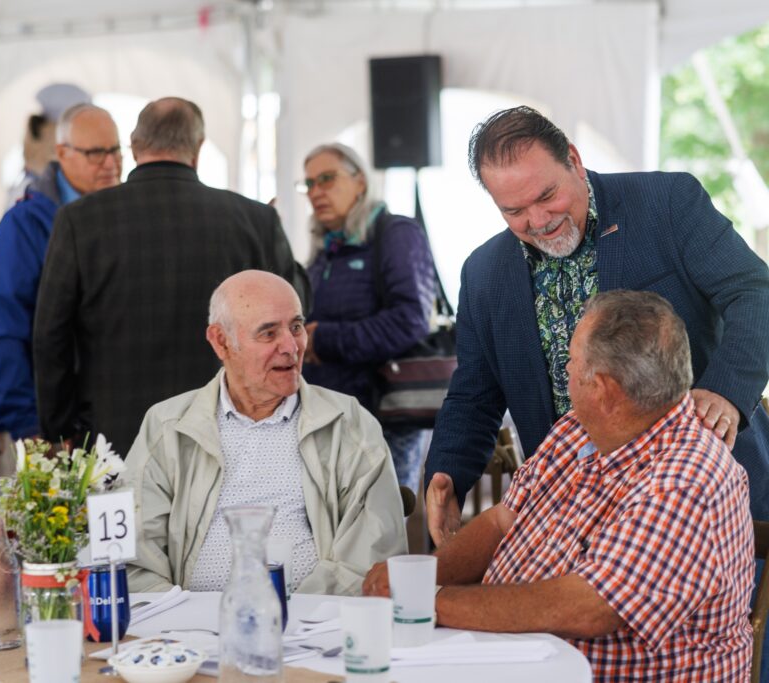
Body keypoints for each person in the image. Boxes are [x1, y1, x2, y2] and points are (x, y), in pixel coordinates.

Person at [365, 291, 754, 681]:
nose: (565, 371)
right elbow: (502, 522)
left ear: (603, 389)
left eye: (571, 362)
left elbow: (587, 608)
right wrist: (417, 579)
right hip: (508, 661)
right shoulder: (578, 429)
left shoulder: (687, 481)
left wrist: (426, 602)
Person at [423, 106, 769, 543]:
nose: (539, 221)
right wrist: (447, 474)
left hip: (703, 498)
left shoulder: (667, 203)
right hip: (573, 519)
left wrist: (725, 391)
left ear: (573, 158)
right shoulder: (482, 273)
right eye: (514, 211)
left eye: (547, 195)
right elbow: (474, 393)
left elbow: (755, 292)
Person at [34, 97, 305, 455]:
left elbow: (50, 336)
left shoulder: (80, 221)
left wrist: (60, 427)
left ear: (133, 146)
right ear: (198, 148)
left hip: (113, 436)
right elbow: (298, 308)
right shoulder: (254, 220)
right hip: (229, 430)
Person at [126, 271, 406, 596]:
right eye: (268, 333)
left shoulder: (349, 424)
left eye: (297, 327)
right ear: (220, 341)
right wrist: (188, 625)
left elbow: (372, 556)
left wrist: (282, 619)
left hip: (315, 631)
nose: (291, 346)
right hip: (190, 633)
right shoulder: (167, 427)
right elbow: (134, 555)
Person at [0, 103, 121, 472]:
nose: (111, 163)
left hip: (102, 426)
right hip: (38, 427)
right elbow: (4, 329)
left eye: (116, 150)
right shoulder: (24, 226)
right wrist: (27, 423)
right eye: (96, 153)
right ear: (62, 153)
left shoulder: (123, 218)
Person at [299, 142, 436, 492]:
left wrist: (323, 339)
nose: (317, 192)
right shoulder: (324, 250)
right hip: (328, 414)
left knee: (380, 531)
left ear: (360, 181)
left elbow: (411, 319)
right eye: (309, 184)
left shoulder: (395, 234)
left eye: (327, 179)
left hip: (383, 415)